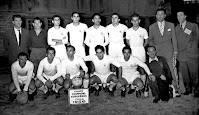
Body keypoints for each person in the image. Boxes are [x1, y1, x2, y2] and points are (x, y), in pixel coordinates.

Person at [148, 8, 180, 96]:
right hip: (157, 53)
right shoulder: (152, 27)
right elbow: (151, 40)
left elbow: (174, 38)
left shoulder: (171, 25)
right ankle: (160, 89)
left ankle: (176, 89)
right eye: (158, 14)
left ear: (165, 15)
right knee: (159, 72)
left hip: (169, 52)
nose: (160, 16)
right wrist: (152, 52)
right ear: (156, 16)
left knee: (172, 71)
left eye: (162, 14)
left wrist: (175, 51)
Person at [175, 10, 199, 97]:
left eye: (181, 15)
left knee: (194, 73)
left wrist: (192, 47)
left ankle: (196, 90)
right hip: (181, 56)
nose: (179, 17)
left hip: (192, 54)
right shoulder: (176, 28)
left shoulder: (193, 26)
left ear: (185, 16)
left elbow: (197, 38)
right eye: (178, 16)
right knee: (185, 74)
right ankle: (188, 89)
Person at [126, 14, 149, 93]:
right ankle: (133, 86)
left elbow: (146, 41)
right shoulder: (128, 31)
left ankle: (142, 86)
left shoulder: (143, 30)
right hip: (132, 51)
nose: (135, 22)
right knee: (132, 69)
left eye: (137, 20)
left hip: (140, 51)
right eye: (133, 20)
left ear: (139, 21)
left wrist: (141, 47)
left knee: (142, 69)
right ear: (131, 21)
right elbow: (127, 42)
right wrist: (133, 48)